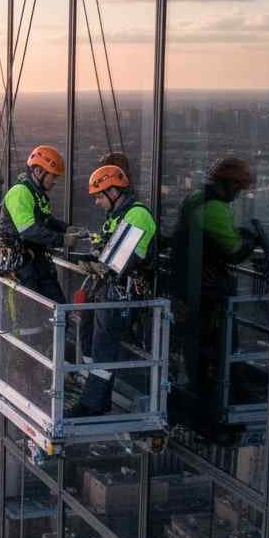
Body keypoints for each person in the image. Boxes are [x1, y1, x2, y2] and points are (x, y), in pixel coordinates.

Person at [170, 156, 260, 441]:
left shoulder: (196, 198)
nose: (238, 195)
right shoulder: (215, 208)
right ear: (230, 184)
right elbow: (234, 251)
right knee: (216, 347)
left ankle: (206, 401)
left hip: (188, 285)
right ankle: (214, 409)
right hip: (205, 289)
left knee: (198, 349)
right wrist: (251, 241)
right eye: (238, 188)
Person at [70, 164, 157, 417]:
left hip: (122, 291)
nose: (97, 202)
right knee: (87, 337)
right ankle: (94, 394)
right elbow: (107, 251)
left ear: (114, 191)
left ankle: (92, 404)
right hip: (107, 288)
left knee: (103, 347)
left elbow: (120, 260)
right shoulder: (118, 216)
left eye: (99, 196)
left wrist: (99, 260)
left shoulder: (137, 215)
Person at [1, 145, 76, 304]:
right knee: (31, 316)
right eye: (53, 176)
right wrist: (62, 239)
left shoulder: (37, 194)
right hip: (22, 267)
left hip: (37, 263)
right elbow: (28, 230)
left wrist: (65, 228)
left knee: (58, 312)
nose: (55, 181)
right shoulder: (20, 192)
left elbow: (46, 220)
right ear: (38, 171)